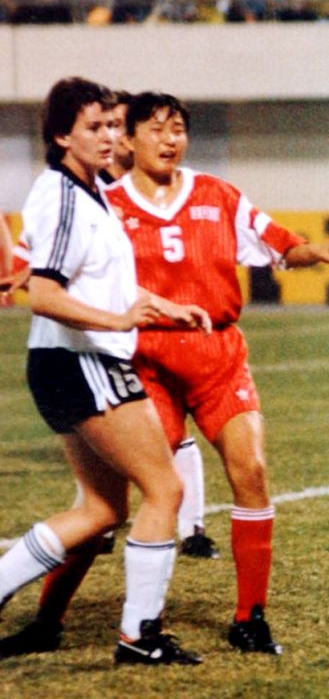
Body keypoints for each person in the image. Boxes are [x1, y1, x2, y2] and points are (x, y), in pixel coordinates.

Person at [104, 91, 329, 655]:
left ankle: (250, 617)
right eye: (158, 128)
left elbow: (280, 245)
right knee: (155, 494)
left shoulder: (218, 196)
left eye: (179, 129)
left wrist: (321, 251)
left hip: (218, 356)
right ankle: (145, 623)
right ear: (129, 139)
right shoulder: (107, 206)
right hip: (146, 361)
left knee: (253, 470)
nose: (171, 139)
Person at [0, 77, 210, 666]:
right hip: (80, 361)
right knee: (165, 489)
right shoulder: (63, 194)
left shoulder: (91, 191)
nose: (110, 136)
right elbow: (42, 294)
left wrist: (160, 306)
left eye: (114, 125)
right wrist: (119, 322)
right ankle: (139, 637)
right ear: (61, 134)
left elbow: (100, 280)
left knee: (100, 511)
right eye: (95, 126)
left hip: (72, 362)